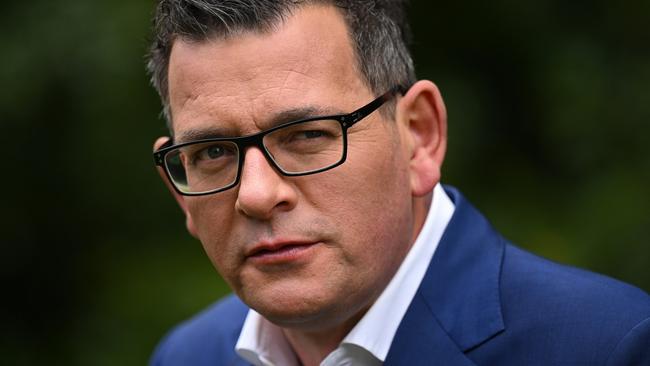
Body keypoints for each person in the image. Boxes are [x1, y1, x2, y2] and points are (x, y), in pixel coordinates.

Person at [146, 1, 650, 365]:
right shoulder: (186, 356)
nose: (256, 194)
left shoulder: (609, 346)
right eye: (212, 152)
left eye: (306, 135)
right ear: (180, 192)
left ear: (419, 137)